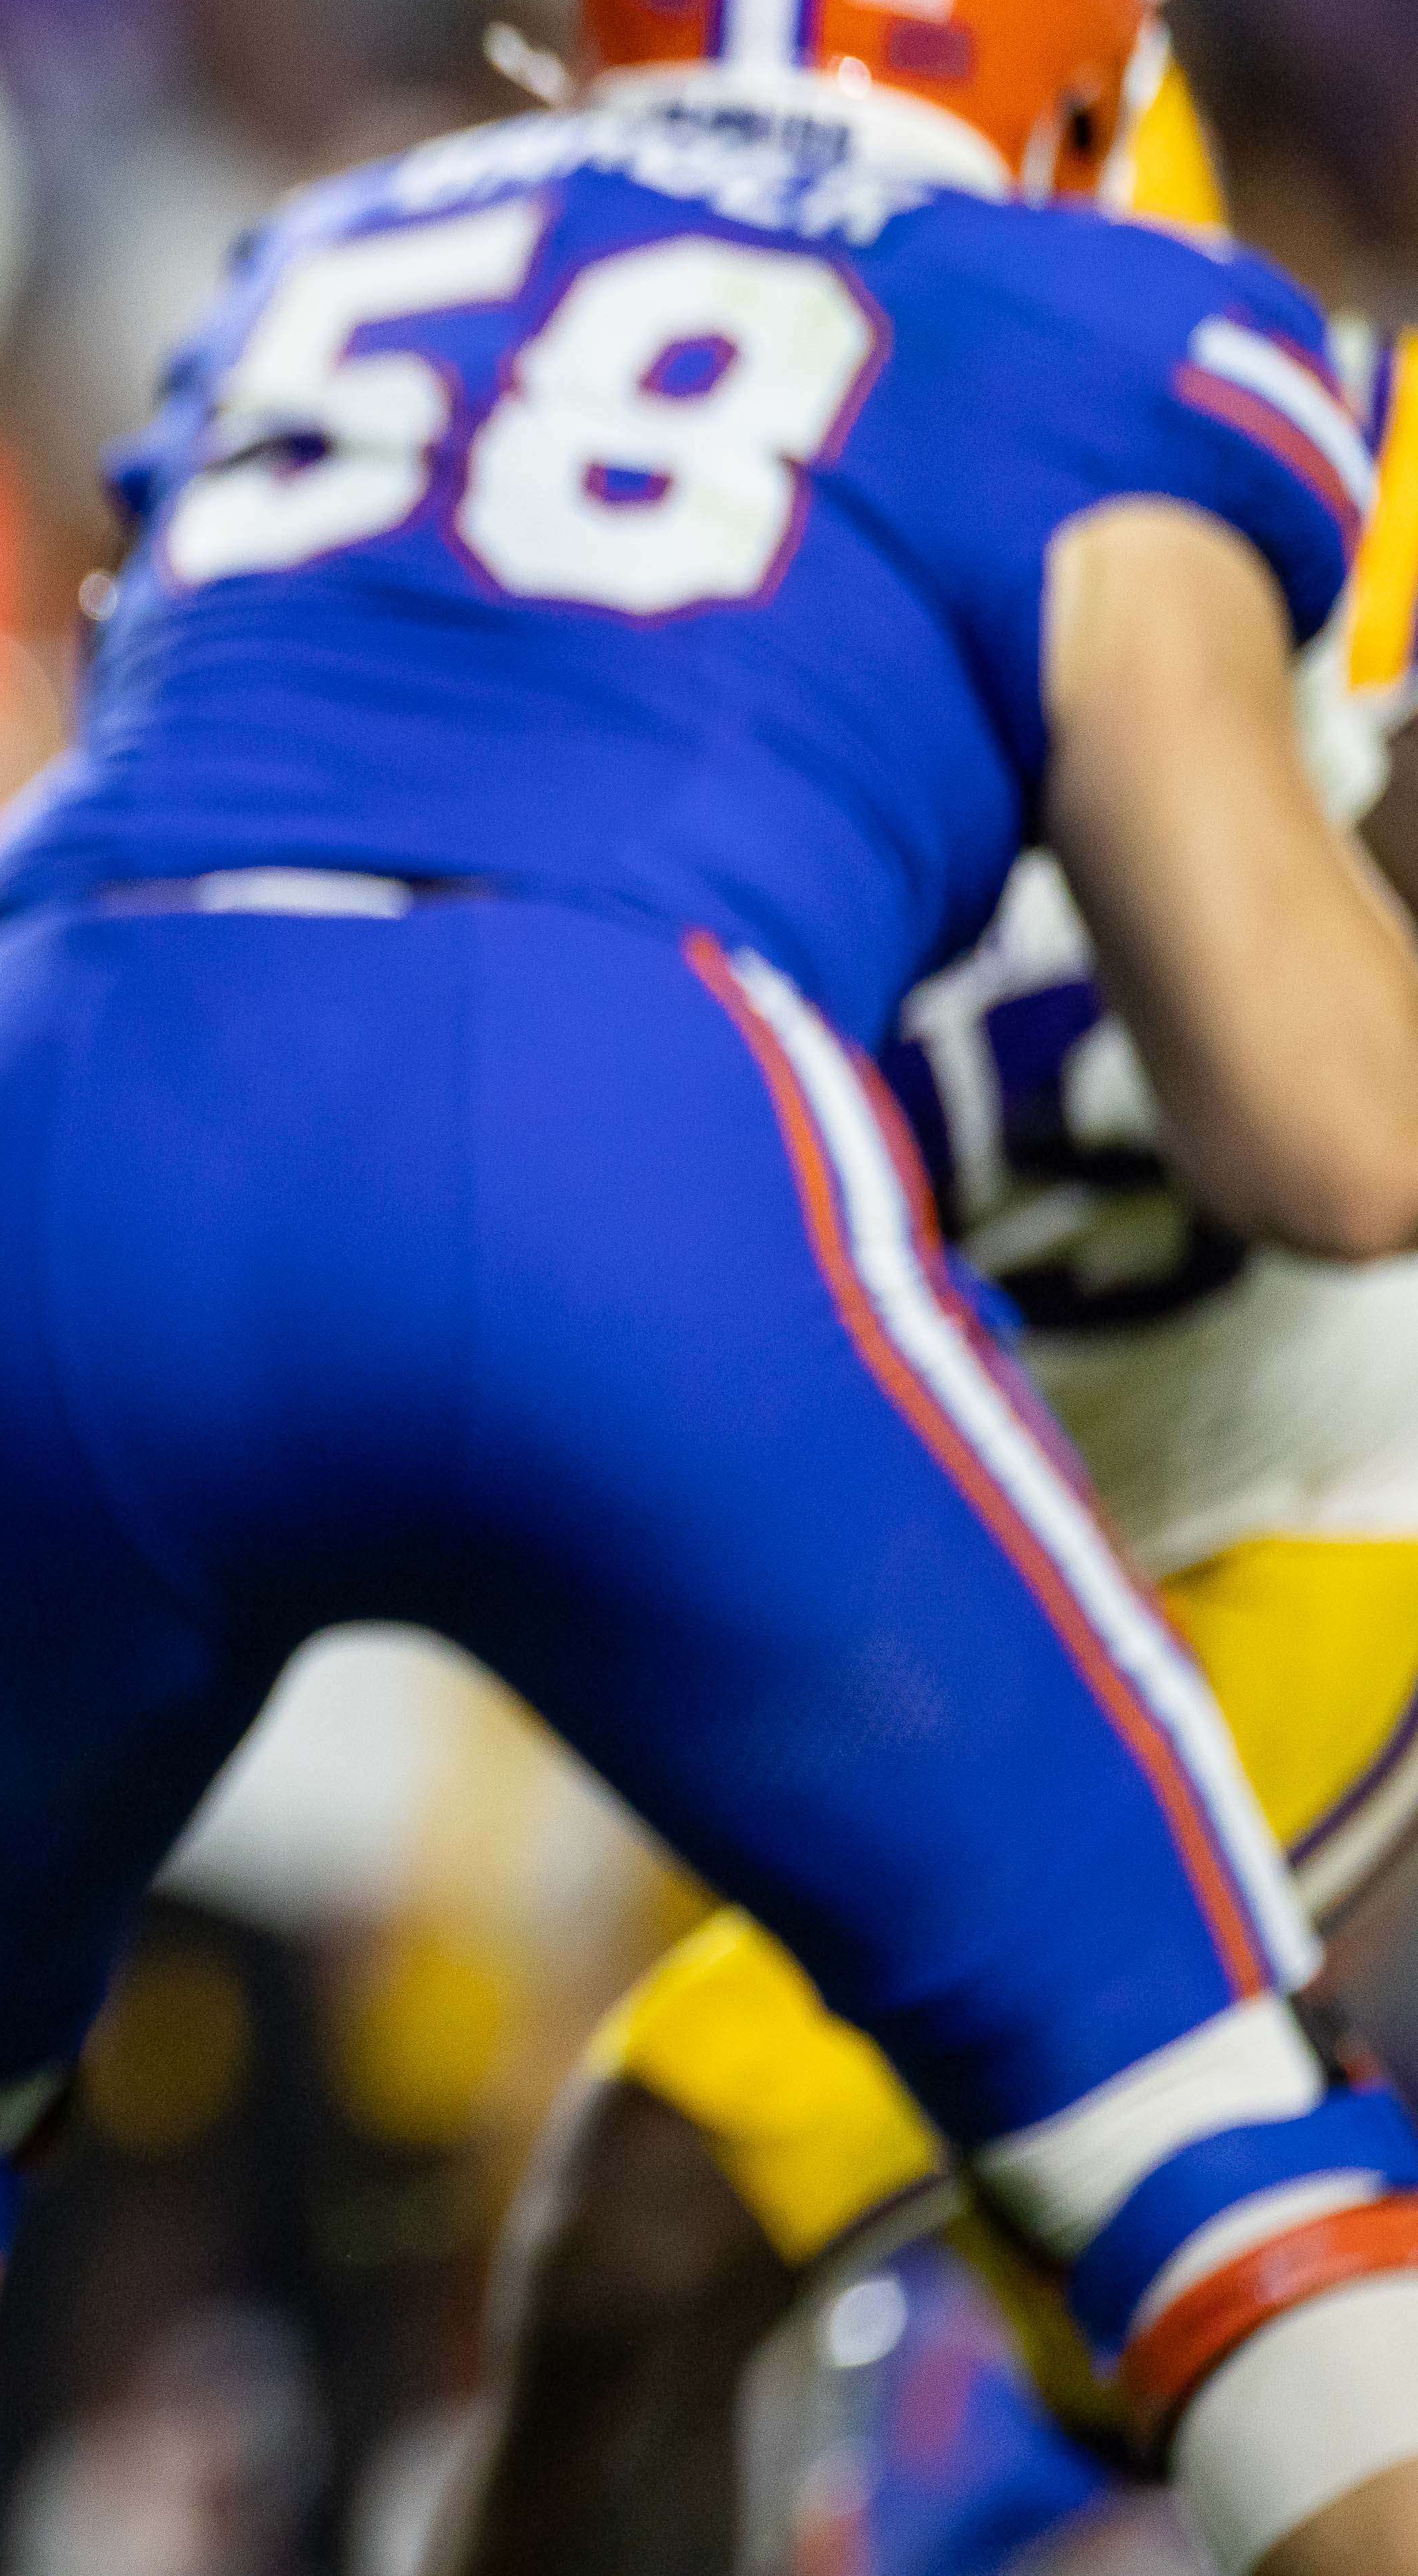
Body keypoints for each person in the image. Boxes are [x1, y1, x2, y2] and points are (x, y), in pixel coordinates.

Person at [0, 0, 1418, 2576]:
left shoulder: (331, 239)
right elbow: (1329, 1134)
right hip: (603, 1123)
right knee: (1210, 2149)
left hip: (22, 1110)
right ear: (1074, 78)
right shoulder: (1105, 321)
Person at [441, 149, 1418, 2575]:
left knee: (665, 2217)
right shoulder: (640, 617)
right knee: (1135, 2334)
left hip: (1305, 1528)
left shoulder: (1323, 501)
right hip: (949, 1584)